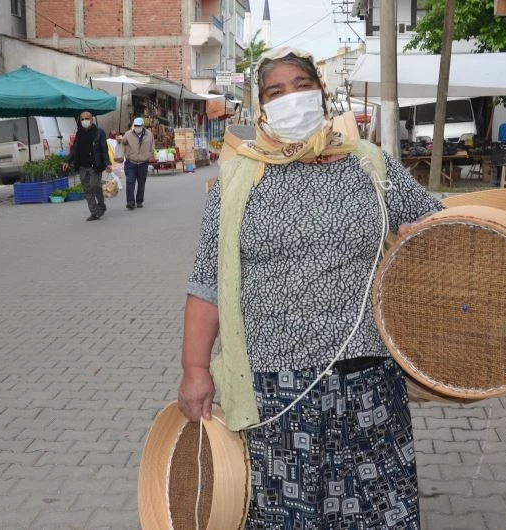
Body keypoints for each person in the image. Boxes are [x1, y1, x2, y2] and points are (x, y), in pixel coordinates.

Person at [178, 47, 443, 529]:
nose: (291, 99)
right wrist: (195, 369)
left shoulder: (370, 165)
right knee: (286, 512)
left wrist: (418, 242)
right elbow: (207, 281)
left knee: (375, 509)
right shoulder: (237, 180)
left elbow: (439, 226)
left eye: (301, 86)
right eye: (276, 92)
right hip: (275, 386)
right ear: (261, 109)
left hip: (367, 377)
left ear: (322, 94)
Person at [62, 111, 112, 221]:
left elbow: (104, 150)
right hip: (82, 166)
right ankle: (94, 213)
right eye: (82, 119)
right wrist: (67, 161)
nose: (84, 121)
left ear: (91, 119)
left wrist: (107, 163)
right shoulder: (79, 133)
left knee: (95, 185)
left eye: (87, 118)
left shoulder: (99, 132)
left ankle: (101, 204)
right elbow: (74, 149)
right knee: (87, 190)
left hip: (95, 165)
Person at [121, 117, 155, 209]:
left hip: (143, 162)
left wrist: (149, 155)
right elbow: (123, 142)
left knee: (141, 182)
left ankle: (139, 201)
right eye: (135, 125)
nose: (137, 127)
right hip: (131, 162)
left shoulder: (149, 134)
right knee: (130, 181)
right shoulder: (128, 134)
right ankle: (130, 202)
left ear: (143, 126)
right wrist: (120, 139)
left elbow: (152, 146)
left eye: (139, 125)